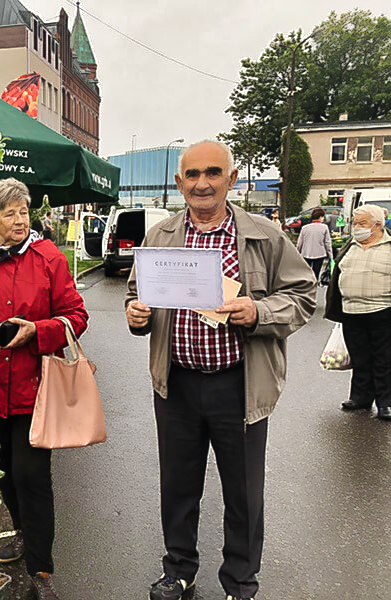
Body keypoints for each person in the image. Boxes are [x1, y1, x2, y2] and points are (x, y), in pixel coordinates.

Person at [124, 140, 316, 600]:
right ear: (178, 183)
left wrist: (259, 312)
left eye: (213, 173)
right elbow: (138, 291)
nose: (202, 183)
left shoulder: (265, 235)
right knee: (177, 486)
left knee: (244, 493)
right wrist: (136, 313)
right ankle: (179, 568)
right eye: (192, 175)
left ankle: (239, 581)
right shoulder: (161, 236)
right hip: (178, 386)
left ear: (231, 180)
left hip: (239, 385)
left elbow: (305, 296)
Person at [0, 178, 88, 600]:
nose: (19, 219)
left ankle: (41, 568)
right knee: (4, 475)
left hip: (36, 391)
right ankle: (18, 530)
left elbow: (76, 314)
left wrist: (39, 330)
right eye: (9, 212)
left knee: (32, 476)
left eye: (24, 211)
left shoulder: (48, 258)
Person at [324, 204, 391, 419]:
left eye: (362, 223)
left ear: (378, 225)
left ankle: (385, 402)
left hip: (382, 311)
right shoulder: (349, 246)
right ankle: (361, 398)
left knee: (384, 359)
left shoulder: (389, 246)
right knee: (359, 357)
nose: (357, 227)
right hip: (351, 311)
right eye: (355, 223)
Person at [296, 207, 333, 281]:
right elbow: (327, 243)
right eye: (322, 217)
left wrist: (297, 253)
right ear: (320, 217)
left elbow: (299, 243)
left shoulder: (304, 228)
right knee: (316, 273)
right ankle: (314, 286)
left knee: (307, 273)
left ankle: (307, 287)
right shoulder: (324, 228)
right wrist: (330, 256)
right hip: (319, 254)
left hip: (306, 253)